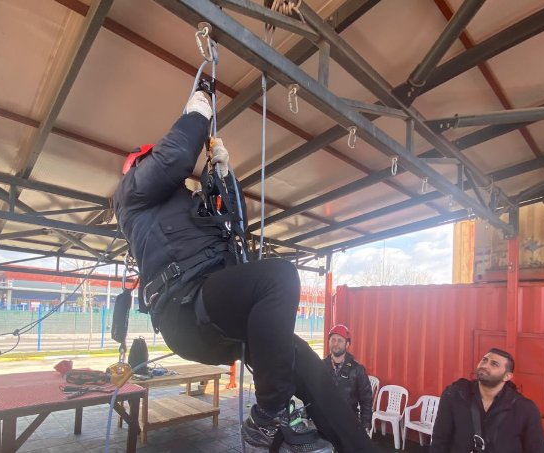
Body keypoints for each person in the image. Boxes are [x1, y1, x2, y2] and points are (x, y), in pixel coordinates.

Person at [113, 90, 376, 452]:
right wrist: (197, 111)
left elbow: (235, 228)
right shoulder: (131, 193)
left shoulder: (187, 208)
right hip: (185, 308)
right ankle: (269, 414)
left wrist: (225, 175)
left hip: (217, 308)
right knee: (279, 277)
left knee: (312, 371)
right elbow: (173, 158)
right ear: (140, 166)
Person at [431, 348, 544, 453]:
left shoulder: (525, 408)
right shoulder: (455, 395)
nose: (485, 365)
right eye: (484, 360)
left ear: (507, 376)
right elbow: (440, 439)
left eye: (494, 364)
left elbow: (537, 449)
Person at [323, 324, 373, 434]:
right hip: (325, 422)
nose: (336, 343)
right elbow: (314, 393)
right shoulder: (321, 366)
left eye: (340, 340)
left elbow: (366, 398)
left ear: (347, 344)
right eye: (333, 340)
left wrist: (366, 423)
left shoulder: (357, 369)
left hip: (349, 423)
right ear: (329, 342)